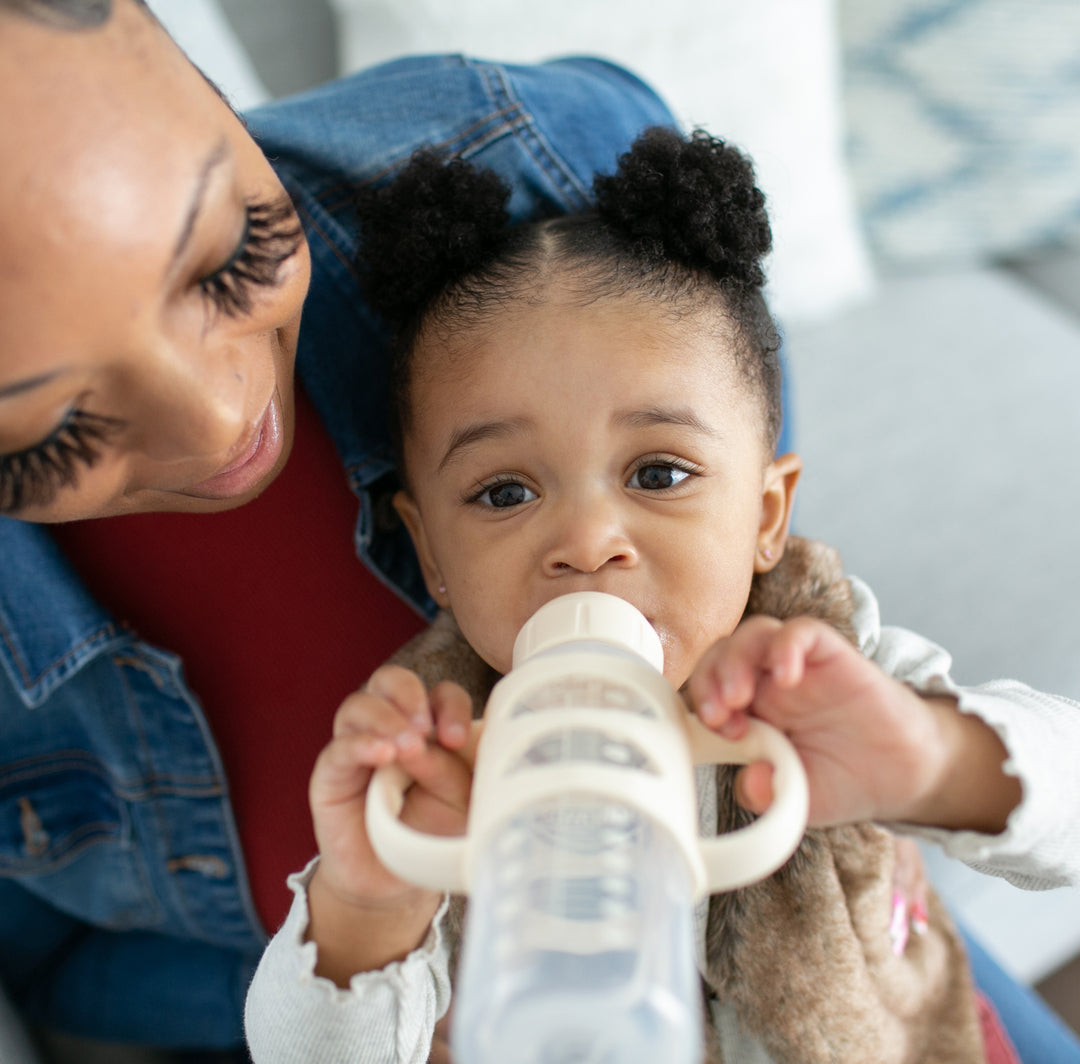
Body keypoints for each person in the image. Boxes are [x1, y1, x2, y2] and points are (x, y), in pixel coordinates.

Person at [242, 131, 1080, 1063]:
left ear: (766, 514)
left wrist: (935, 759)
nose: (587, 542)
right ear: (432, 553)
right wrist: (368, 906)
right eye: (505, 492)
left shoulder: (827, 662)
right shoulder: (437, 754)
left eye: (658, 471)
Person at [0, 0, 678, 1056]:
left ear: (207, 84)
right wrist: (367, 999)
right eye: (54, 428)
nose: (226, 420)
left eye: (227, 260)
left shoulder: (533, 174)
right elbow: (51, 965)